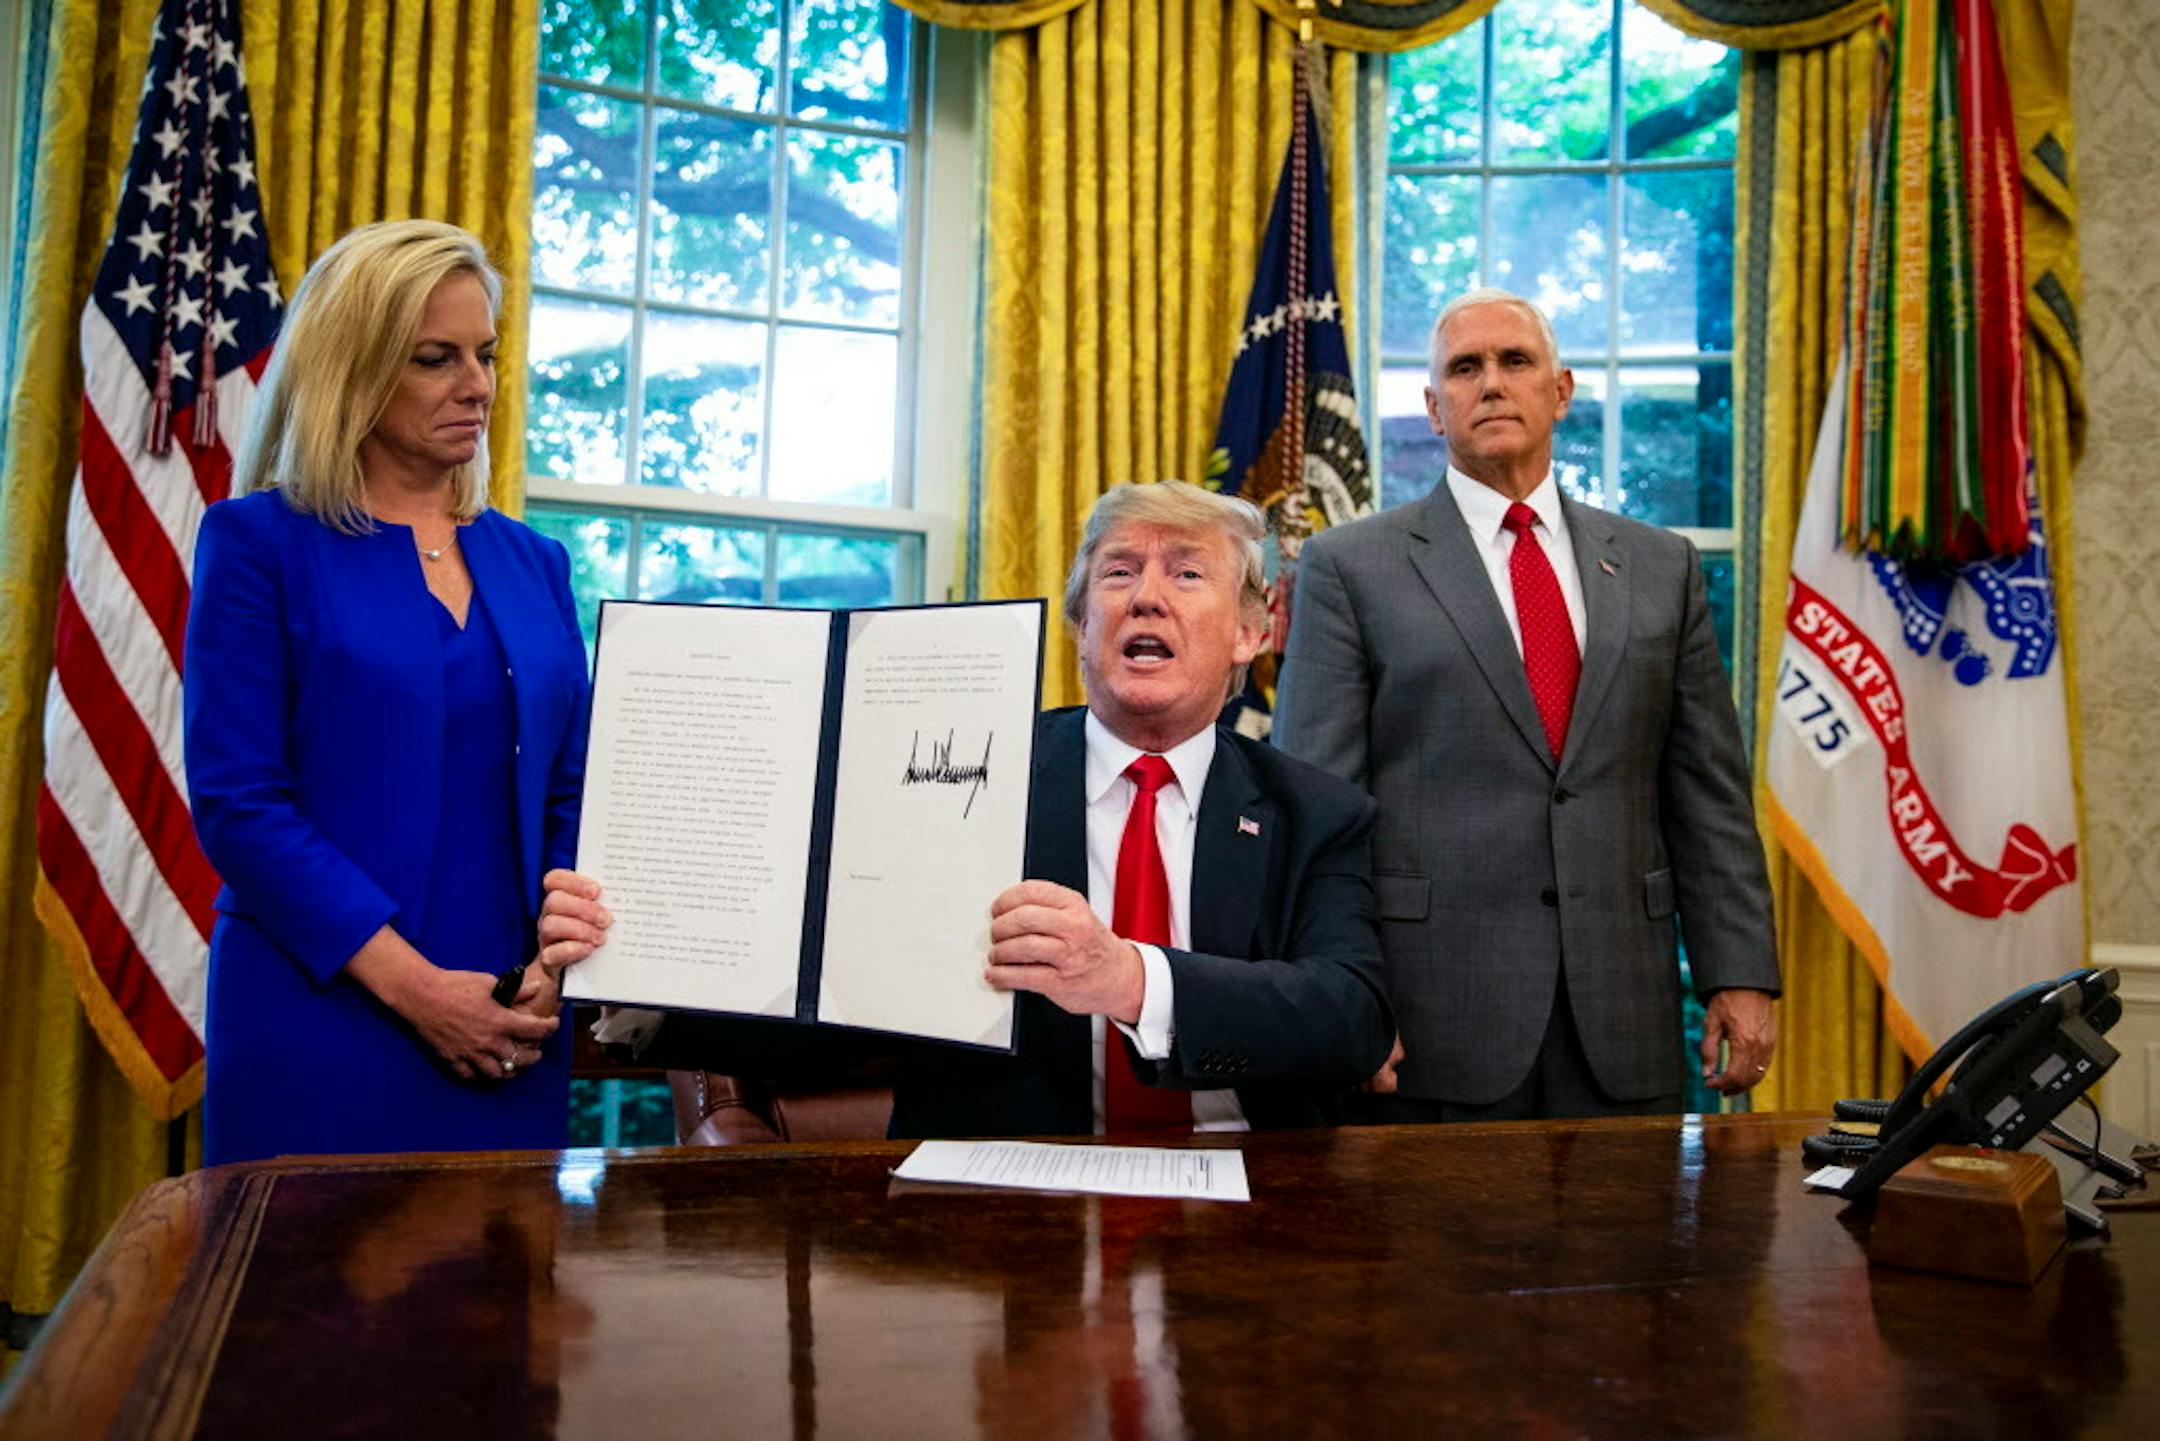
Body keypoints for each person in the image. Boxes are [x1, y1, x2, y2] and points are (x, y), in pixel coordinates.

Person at [542, 481, 1395, 1136]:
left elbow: (1351, 1020)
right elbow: (838, 1005)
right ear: (1079, 624)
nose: (1146, 597)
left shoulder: (1316, 812)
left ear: (1252, 631)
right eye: (1119, 573)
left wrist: (1130, 979)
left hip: (1250, 1211)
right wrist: (641, 974)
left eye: (1186, 573)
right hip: (999, 1222)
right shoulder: (951, 776)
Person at [1273, 288, 1780, 1121]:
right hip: (1430, 1029)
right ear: (1434, 409)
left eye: (1516, 361)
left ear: (1562, 389)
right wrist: (1341, 996)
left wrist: (1741, 971)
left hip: (1624, 1018)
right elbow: (1320, 809)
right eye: (1465, 369)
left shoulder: (1662, 566)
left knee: (1627, 1254)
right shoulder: (1350, 567)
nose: (1493, 384)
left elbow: (1708, 795)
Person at [185, 220, 590, 1164]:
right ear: (353, 367)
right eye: (435, 358)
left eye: (485, 354)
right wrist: (417, 991)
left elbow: (578, 788)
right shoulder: (258, 544)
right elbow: (241, 806)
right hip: (322, 1010)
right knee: (309, 1310)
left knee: (500, 1305)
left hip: (512, 1022)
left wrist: (553, 967)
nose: (479, 385)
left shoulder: (536, 563)